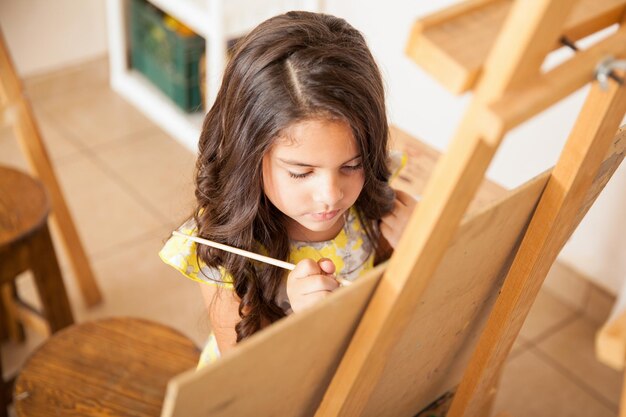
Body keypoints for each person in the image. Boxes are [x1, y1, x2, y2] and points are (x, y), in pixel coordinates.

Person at [159, 10, 416, 367]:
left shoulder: (375, 201)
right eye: (300, 173)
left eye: (351, 165)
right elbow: (249, 375)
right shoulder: (225, 247)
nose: (330, 195)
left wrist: (419, 248)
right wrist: (302, 323)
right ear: (249, 154)